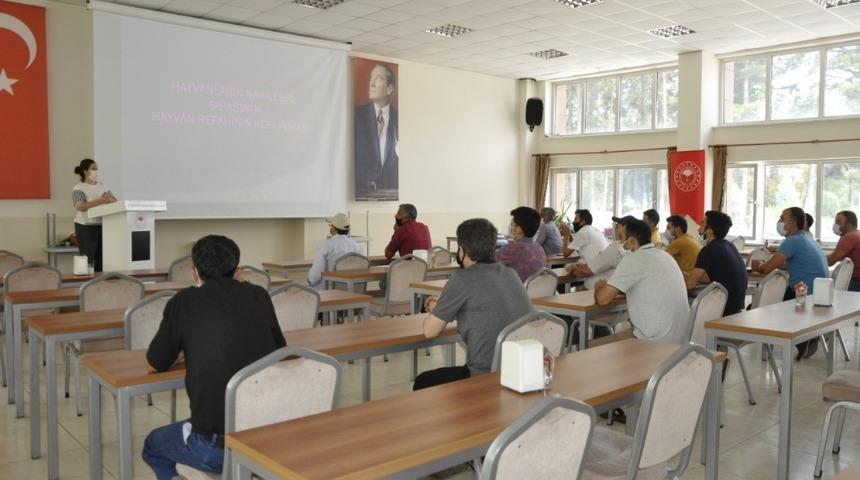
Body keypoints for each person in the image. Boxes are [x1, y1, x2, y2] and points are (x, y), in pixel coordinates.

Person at [142, 235, 286, 479]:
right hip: (264, 436)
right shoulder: (259, 296)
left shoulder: (184, 302)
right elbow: (278, 352)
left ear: (194, 272)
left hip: (215, 447)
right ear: (237, 271)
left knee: (153, 446)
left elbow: (154, 362)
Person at [415, 218, 533, 390]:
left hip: (485, 374)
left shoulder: (462, 278)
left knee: (422, 381)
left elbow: (430, 331)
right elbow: (484, 308)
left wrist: (433, 312)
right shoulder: (510, 274)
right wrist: (441, 308)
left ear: (462, 249)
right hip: (519, 369)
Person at [592, 219, 689, 346]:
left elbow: (602, 299)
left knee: (591, 348)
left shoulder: (633, 258)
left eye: (622, 239)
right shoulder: (664, 255)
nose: (621, 244)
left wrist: (599, 287)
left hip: (654, 342)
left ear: (632, 241)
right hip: (681, 340)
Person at [754, 207, 828, 360]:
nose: (779, 221)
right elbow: (790, 263)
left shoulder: (792, 241)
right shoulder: (808, 238)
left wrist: (759, 265)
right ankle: (807, 338)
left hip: (801, 293)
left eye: (782, 218)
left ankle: (801, 340)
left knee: (760, 306)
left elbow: (767, 268)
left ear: (792, 222)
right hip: (819, 292)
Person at [686, 211, 749, 316]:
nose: (698, 228)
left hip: (722, 308)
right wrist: (686, 275)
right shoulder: (729, 246)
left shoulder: (708, 250)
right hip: (737, 306)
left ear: (710, 231)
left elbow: (689, 285)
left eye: (702, 224)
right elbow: (718, 276)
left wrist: (685, 278)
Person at [354, 63, 398, 199]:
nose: (371, 83)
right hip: (362, 192)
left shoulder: (399, 118)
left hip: (390, 193)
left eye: (378, 78)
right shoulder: (357, 115)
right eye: (371, 78)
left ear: (389, 89)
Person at [72, 159, 116, 272]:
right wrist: (101, 200)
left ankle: (100, 284)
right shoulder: (79, 187)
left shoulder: (102, 186)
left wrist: (110, 200)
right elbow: (80, 206)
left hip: (103, 225)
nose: (96, 171)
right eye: (93, 169)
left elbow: (114, 201)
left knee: (102, 258)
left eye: (97, 168)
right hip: (85, 226)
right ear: (85, 171)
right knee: (88, 258)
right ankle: (87, 284)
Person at [567, 215, 632, 290]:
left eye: (617, 227)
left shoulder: (616, 248)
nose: (614, 229)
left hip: (596, 292)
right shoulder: (632, 248)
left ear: (624, 230)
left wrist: (572, 270)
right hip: (614, 291)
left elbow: (586, 271)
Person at [306, 213, 363, 289]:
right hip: (352, 289)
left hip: (330, 290)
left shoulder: (326, 245)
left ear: (333, 229)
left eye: (331, 226)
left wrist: (309, 281)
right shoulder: (358, 246)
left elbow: (316, 275)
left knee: (306, 287)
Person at [495, 206, 546, 282]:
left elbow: (488, 263)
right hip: (537, 292)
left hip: (515, 292)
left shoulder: (512, 249)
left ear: (518, 230)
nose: (510, 227)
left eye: (512, 224)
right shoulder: (539, 249)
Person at [828, 210, 860, 292]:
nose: (835, 224)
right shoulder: (857, 234)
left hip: (856, 283)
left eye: (838, 221)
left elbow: (831, 261)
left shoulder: (848, 237)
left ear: (848, 224)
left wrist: (817, 257)